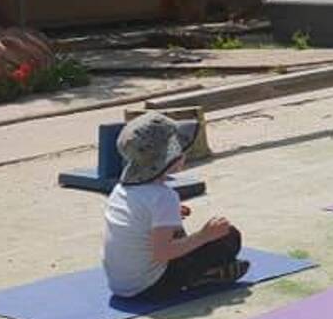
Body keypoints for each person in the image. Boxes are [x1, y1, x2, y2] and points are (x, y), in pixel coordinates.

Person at [103, 113, 247, 299]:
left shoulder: (121, 189)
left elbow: (138, 218)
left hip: (119, 283)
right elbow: (163, 253)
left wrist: (169, 215)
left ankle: (201, 272)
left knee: (177, 231)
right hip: (151, 286)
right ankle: (202, 276)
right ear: (169, 158)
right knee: (228, 236)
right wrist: (204, 235)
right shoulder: (164, 197)